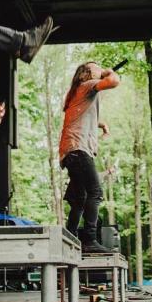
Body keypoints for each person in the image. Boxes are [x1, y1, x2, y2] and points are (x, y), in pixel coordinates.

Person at [58, 61, 120, 253]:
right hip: (79, 150)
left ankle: (69, 236)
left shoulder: (77, 92)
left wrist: (101, 125)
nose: (100, 69)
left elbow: (81, 116)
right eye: (96, 67)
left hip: (70, 151)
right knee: (95, 193)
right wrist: (108, 72)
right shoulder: (86, 86)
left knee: (80, 198)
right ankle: (89, 240)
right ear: (85, 74)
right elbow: (114, 81)